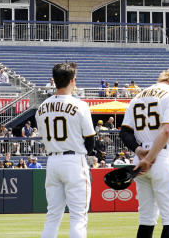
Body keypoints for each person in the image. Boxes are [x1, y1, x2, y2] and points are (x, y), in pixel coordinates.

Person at [120, 66, 169, 238]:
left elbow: (124, 132)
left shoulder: (138, 96)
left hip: (140, 157)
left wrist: (138, 150)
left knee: (146, 218)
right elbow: (167, 130)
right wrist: (151, 157)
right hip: (162, 156)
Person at [37, 62, 96, 238]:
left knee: (52, 216)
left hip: (52, 160)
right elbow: (90, 140)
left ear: (54, 80)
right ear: (72, 80)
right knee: (78, 217)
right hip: (74, 159)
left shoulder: (42, 107)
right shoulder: (80, 105)